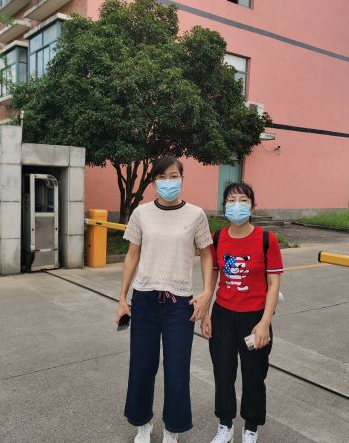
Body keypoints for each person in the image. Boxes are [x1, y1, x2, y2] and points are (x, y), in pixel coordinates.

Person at [115, 156, 214, 443]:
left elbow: (207, 254)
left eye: (174, 176)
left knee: (177, 369)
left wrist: (207, 293)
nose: (168, 182)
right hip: (144, 300)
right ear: (154, 181)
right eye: (162, 177)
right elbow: (132, 255)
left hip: (180, 304)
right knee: (142, 366)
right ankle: (143, 423)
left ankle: (173, 429)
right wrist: (122, 298)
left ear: (182, 179)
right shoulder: (141, 213)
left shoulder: (196, 215)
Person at [201, 182, 283, 443]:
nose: (237, 205)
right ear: (224, 206)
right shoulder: (217, 238)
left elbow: (274, 284)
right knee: (223, 373)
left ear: (252, 207)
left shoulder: (267, 240)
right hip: (223, 315)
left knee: (254, 376)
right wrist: (206, 314)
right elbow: (211, 280)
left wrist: (265, 322)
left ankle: (251, 428)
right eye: (231, 200)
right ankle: (225, 426)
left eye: (243, 200)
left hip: (255, 318)